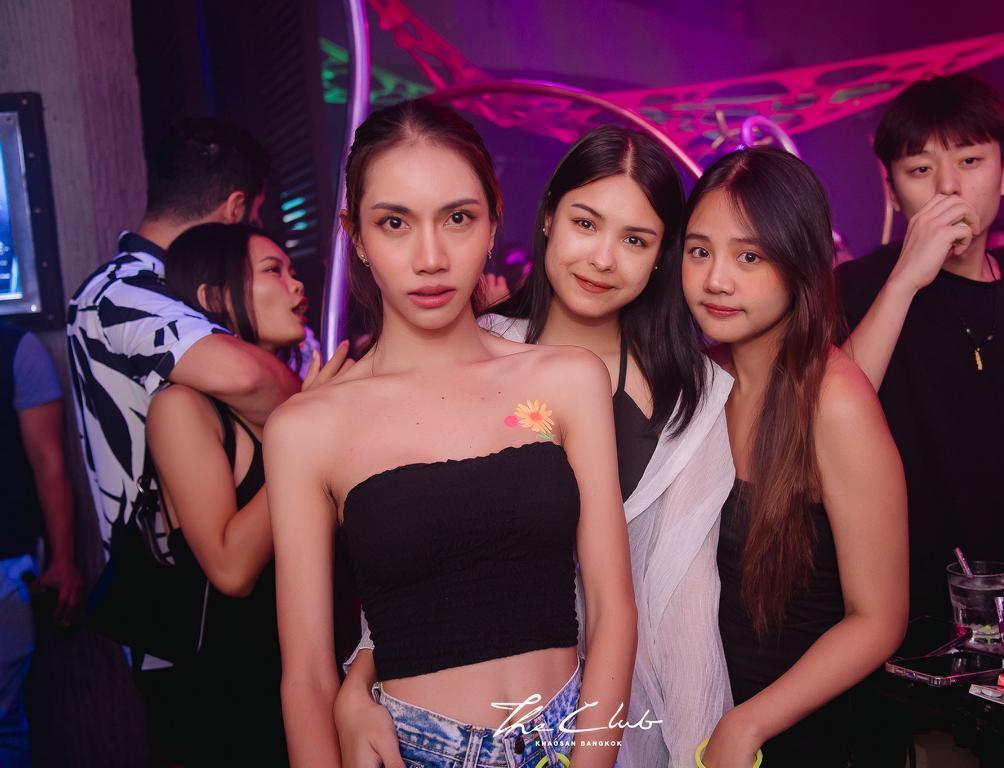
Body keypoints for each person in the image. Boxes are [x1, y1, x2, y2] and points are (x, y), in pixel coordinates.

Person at [340, 124, 734, 767]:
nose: (602, 259)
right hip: (465, 723)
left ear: (662, 254)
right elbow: (421, 549)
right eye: (586, 223)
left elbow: (689, 612)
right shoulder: (465, 348)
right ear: (548, 217)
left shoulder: (697, 399)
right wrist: (360, 678)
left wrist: (699, 746)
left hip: (639, 726)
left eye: (634, 240)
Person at [265, 99, 636, 768]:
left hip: (566, 738)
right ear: (356, 235)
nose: (431, 258)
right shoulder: (307, 428)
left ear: (493, 221)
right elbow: (309, 678)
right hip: (416, 750)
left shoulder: (567, 380)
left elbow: (613, 610)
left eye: (457, 218)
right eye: (394, 223)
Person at [66, 117, 301, 763]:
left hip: (246, 615)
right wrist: (328, 414)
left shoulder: (157, 291)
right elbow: (245, 376)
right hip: (185, 616)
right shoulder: (119, 290)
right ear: (236, 208)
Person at [681, 146, 907, 766]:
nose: (716, 280)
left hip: (804, 734)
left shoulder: (835, 400)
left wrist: (747, 725)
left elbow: (879, 618)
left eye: (748, 257)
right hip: (701, 713)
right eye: (699, 251)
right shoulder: (702, 379)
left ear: (800, 265)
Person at [837, 73, 1004, 619]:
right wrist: (906, 279)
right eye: (920, 170)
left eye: (971, 161)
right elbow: (826, 420)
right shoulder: (854, 287)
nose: (949, 187)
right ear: (892, 189)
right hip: (894, 603)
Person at [145, 223, 340, 766]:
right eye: (273, 271)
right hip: (235, 697)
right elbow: (231, 570)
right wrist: (302, 435)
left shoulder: (290, 396)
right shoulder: (182, 408)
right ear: (214, 297)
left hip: (326, 674)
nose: (297, 286)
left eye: (293, 271)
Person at [0, 320, 82, 768]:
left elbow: (49, 461)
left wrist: (63, 559)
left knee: (3, 725)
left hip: (6, 563)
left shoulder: (16, 347)